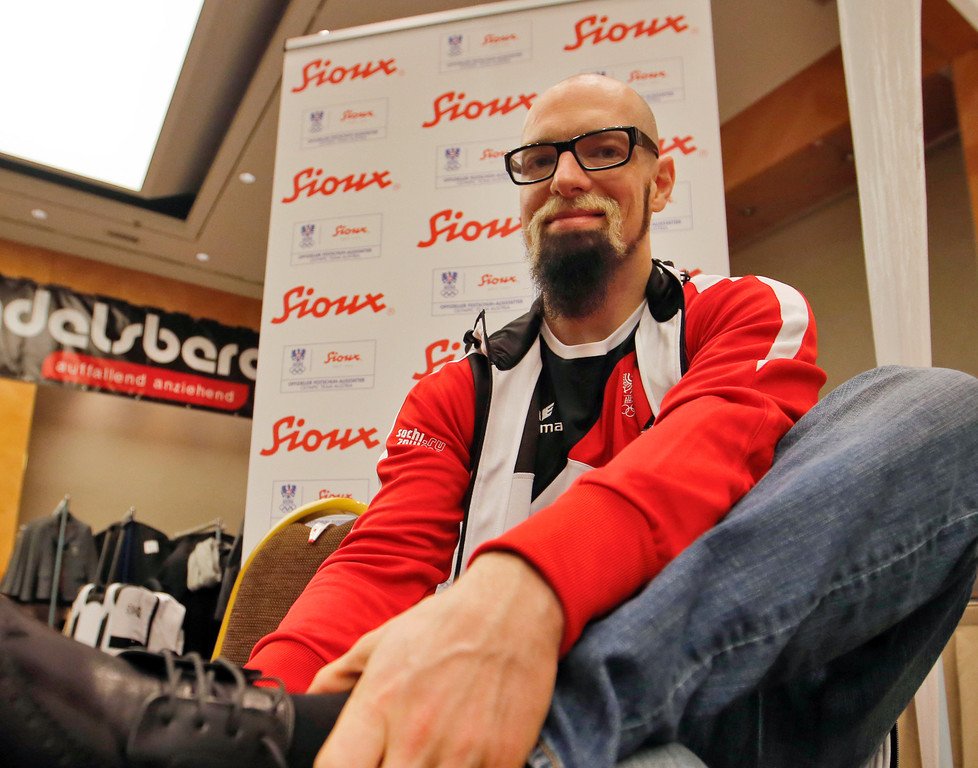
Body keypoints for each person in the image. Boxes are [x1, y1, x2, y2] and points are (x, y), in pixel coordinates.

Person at [1, 74, 976, 768]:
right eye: (541, 159)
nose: (568, 177)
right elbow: (380, 567)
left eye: (605, 149)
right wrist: (262, 715)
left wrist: (521, 596)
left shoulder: (741, 314)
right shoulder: (456, 390)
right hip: (551, 739)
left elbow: (702, 450)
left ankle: (547, 734)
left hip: (735, 709)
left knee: (940, 410)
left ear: (661, 180)